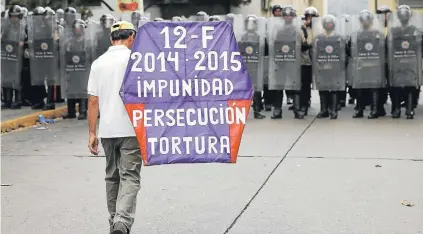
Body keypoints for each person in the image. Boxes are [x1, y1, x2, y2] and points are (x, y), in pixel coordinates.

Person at [87, 21, 141, 234]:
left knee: (112, 176)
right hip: (131, 129)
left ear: (111, 39)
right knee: (130, 176)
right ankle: (122, 221)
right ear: (131, 38)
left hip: (108, 131)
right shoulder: (136, 61)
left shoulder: (98, 63)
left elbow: (93, 101)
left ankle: (114, 222)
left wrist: (92, 132)